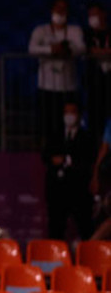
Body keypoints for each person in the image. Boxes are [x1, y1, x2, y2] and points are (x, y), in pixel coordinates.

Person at [44, 102, 96, 241]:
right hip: (57, 190)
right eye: (66, 112)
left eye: (72, 112)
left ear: (78, 115)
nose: (69, 116)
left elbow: (90, 160)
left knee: (85, 227)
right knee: (56, 229)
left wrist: (72, 162)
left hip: (79, 190)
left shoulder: (87, 138)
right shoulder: (55, 135)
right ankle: (55, 259)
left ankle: (88, 258)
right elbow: (45, 155)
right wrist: (53, 160)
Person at [30, 0, 85, 124]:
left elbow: (81, 48)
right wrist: (51, 49)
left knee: (68, 123)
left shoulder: (74, 30)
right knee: (47, 122)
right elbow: (32, 49)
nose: (60, 11)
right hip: (46, 87)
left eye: (63, 8)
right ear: (51, 10)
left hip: (68, 86)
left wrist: (67, 50)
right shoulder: (40, 30)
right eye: (57, 8)